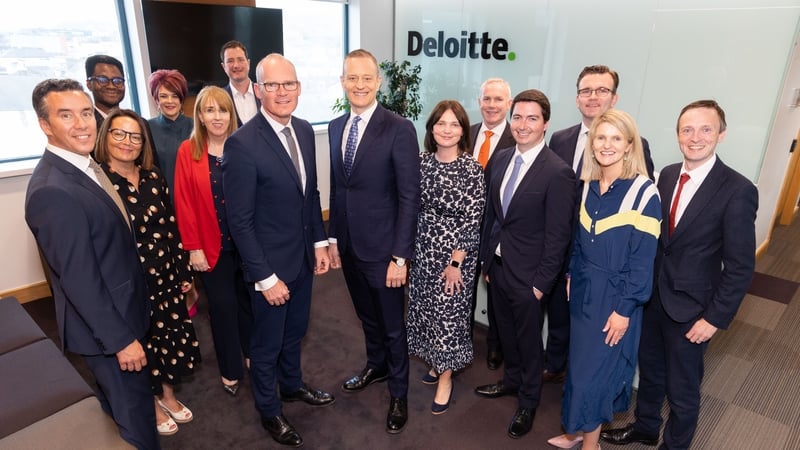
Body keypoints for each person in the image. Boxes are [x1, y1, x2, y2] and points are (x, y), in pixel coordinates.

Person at [601, 100, 758, 449]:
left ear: (721, 134)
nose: (695, 137)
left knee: (683, 388)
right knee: (651, 372)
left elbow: (740, 266)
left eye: (706, 129)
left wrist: (714, 319)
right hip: (654, 297)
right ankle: (645, 427)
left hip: (693, 310)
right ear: (677, 134)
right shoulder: (668, 174)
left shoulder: (738, 190)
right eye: (687, 129)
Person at [25, 78, 159, 449]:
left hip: (120, 315)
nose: (82, 123)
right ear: (45, 125)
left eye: (86, 112)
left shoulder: (84, 166)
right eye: (66, 115)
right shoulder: (54, 190)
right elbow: (79, 280)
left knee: (124, 413)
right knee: (135, 423)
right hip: (108, 334)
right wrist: (121, 341)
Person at [222, 53, 334, 448]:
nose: (282, 92)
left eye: (289, 84)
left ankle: (292, 386)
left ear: (299, 88)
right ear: (258, 90)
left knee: (295, 332)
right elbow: (240, 221)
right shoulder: (241, 145)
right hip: (269, 268)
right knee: (266, 345)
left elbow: (311, 195)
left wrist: (319, 242)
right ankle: (270, 411)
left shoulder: (303, 130)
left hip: (302, 258)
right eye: (272, 85)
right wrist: (265, 277)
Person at [547, 110, 661, 450]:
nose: (606, 145)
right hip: (583, 291)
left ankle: (589, 444)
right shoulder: (589, 187)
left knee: (591, 376)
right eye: (600, 137)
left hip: (615, 299)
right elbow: (579, 242)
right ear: (591, 143)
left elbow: (643, 262)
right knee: (578, 367)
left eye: (615, 138)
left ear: (629, 145)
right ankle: (577, 431)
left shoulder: (644, 193)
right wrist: (570, 274)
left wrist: (625, 309)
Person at [327, 48, 421, 434]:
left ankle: (399, 393)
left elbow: (409, 196)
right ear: (343, 81)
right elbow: (337, 187)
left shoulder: (399, 128)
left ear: (378, 82)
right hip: (349, 245)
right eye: (353, 77)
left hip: (384, 251)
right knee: (366, 316)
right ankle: (376, 366)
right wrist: (333, 237)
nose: (360, 85)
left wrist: (400, 256)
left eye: (367, 78)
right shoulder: (336, 127)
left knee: (392, 325)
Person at [544, 64, 655, 384]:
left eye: (601, 90)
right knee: (560, 314)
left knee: (592, 334)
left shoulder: (635, 144)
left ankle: (581, 383)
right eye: (586, 91)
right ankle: (555, 366)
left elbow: (638, 203)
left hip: (604, 257)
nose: (593, 97)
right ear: (577, 98)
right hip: (563, 247)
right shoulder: (561, 138)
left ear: (614, 98)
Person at [474, 89, 576, 439]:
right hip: (498, 268)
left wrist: (540, 284)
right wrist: (487, 260)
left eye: (532, 118)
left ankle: (529, 400)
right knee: (505, 333)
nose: (522, 124)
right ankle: (511, 381)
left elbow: (558, 236)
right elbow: (493, 217)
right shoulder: (501, 159)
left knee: (530, 342)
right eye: (517, 116)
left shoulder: (557, 172)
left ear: (545, 124)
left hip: (530, 276)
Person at [95, 108, 201, 437]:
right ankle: (152, 403)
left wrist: (184, 271)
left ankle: (167, 394)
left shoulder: (153, 177)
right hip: (133, 281)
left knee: (170, 336)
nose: (128, 142)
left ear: (144, 142)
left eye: (135, 136)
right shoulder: (100, 183)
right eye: (119, 134)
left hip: (167, 274)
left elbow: (171, 226)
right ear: (106, 137)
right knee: (145, 343)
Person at [174, 85, 253, 398]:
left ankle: (250, 352)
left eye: (222, 110)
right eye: (209, 110)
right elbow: (184, 202)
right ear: (200, 116)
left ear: (231, 114)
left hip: (246, 245)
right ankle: (230, 368)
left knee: (248, 303)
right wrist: (193, 247)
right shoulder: (188, 150)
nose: (217, 116)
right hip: (210, 246)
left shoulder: (244, 146)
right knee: (222, 307)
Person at [407, 100, 485, 415]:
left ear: (463, 130)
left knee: (448, 318)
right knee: (426, 311)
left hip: (454, 256)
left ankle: (446, 378)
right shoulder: (421, 161)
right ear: (432, 128)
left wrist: (455, 263)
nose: (447, 130)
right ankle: (437, 364)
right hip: (423, 250)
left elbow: (472, 220)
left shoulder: (471, 168)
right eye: (441, 123)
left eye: (454, 124)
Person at [469, 78, 515, 371]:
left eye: (499, 100)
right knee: (461, 288)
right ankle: (461, 338)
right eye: (487, 99)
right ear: (479, 102)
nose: (492, 105)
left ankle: (495, 345)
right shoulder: (467, 132)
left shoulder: (518, 138)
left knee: (497, 293)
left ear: (508, 104)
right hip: (463, 228)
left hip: (496, 231)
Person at [147, 69, 193, 198]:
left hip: (193, 197)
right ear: (156, 99)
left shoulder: (196, 127)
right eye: (163, 96)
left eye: (175, 96)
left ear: (182, 98)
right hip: (162, 198)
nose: (170, 101)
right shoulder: (147, 128)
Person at [220, 40, 260, 126]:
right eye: (230, 61)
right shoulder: (219, 98)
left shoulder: (263, 92)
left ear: (248, 63)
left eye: (240, 60)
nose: (236, 65)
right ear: (223, 67)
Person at [85, 54, 127, 130]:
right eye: (102, 80)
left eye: (117, 81)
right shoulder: (85, 126)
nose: (111, 86)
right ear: (89, 84)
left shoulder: (137, 122)